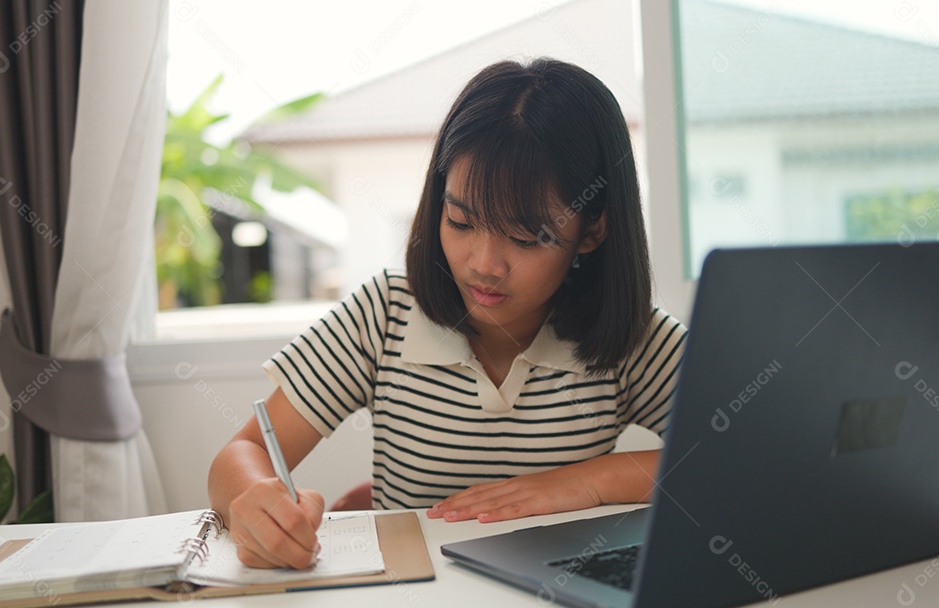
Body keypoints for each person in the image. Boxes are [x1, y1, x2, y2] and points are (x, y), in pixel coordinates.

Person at [207, 57, 687, 570]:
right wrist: (256, 502)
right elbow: (242, 453)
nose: (483, 265)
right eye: (460, 221)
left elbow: (741, 460)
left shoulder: (631, 334)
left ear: (591, 230)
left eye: (526, 237)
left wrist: (592, 481)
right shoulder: (386, 313)